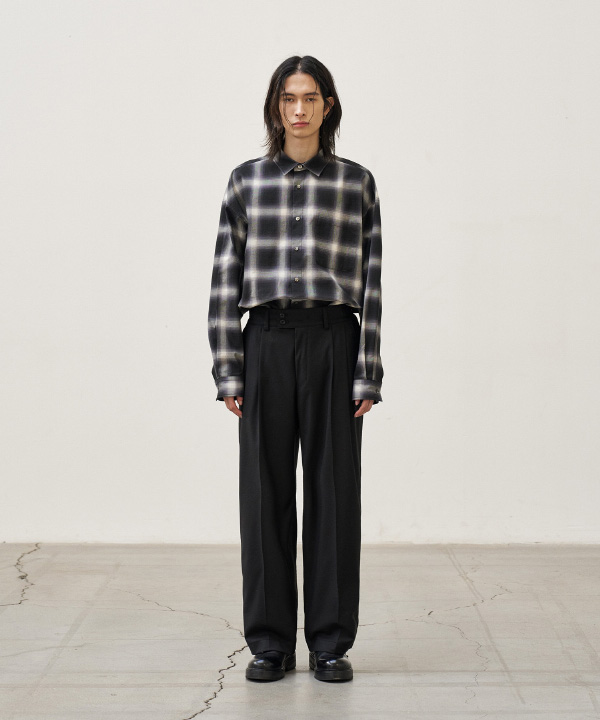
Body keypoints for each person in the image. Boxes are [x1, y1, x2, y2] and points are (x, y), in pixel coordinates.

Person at [207, 55, 383, 683]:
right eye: (289, 99)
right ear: (276, 107)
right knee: (265, 496)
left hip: (335, 340)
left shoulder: (356, 183)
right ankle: (269, 642)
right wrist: (229, 369)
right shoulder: (246, 182)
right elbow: (224, 279)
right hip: (266, 342)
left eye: (311, 98)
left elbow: (372, 281)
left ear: (327, 105)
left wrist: (368, 371)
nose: (300, 110)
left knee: (334, 496)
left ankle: (330, 642)